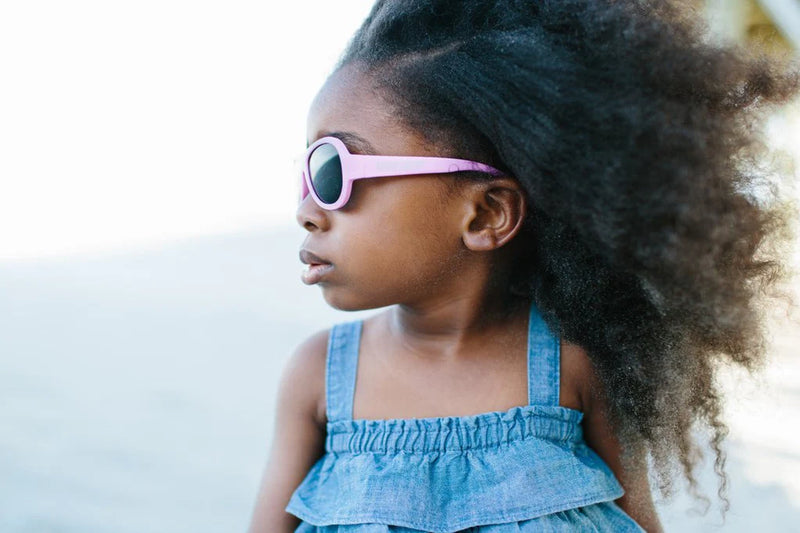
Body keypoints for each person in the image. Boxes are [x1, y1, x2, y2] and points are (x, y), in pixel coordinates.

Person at [248, 1, 799, 531]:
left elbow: (638, 521)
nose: (306, 212)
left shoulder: (574, 367)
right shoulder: (318, 377)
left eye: (332, 172)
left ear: (487, 213)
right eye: (306, 172)